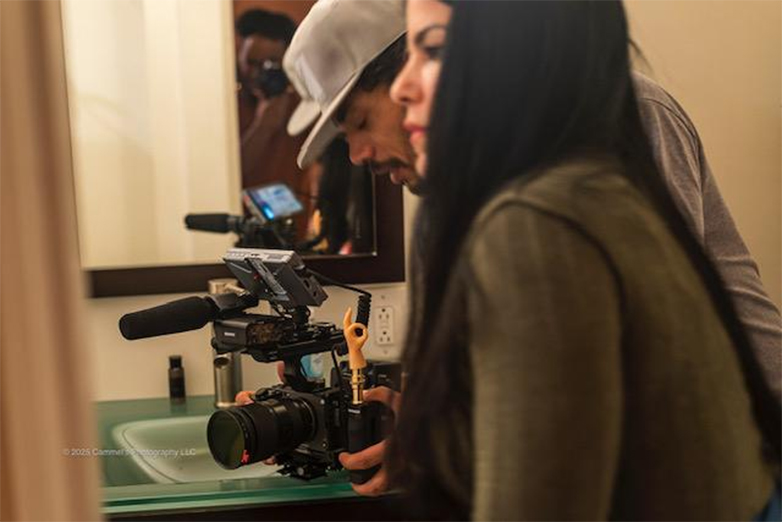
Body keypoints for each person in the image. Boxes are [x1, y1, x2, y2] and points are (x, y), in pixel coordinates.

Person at [243, 0, 781, 500]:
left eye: (361, 122)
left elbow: (643, 354)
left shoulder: (621, 119)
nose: (358, 156)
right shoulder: (446, 204)